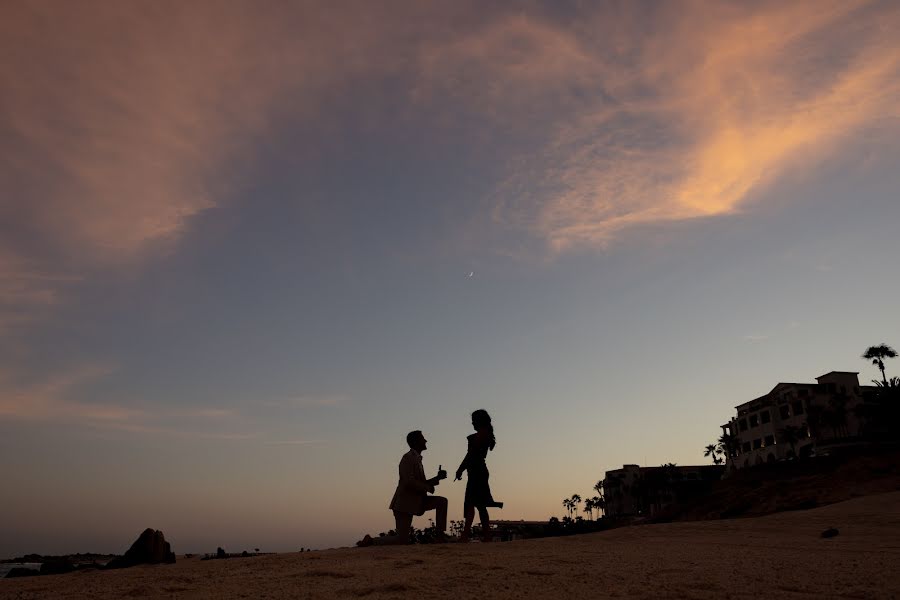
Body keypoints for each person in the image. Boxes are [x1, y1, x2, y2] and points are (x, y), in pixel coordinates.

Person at [358, 430, 448, 546]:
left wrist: (437, 478)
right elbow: (408, 482)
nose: (425, 440)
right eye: (423, 438)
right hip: (404, 504)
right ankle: (371, 541)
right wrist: (428, 487)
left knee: (442, 502)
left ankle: (440, 537)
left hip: (417, 501)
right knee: (402, 540)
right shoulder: (408, 458)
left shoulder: (417, 459)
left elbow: (418, 482)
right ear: (416, 442)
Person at [455, 409, 503, 542]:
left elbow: (470, 455)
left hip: (477, 472)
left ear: (479, 421)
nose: (472, 423)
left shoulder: (481, 435)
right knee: (479, 504)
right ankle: (485, 535)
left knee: (472, 503)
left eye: (473, 421)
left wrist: (460, 469)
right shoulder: (485, 434)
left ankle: (466, 535)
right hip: (477, 471)